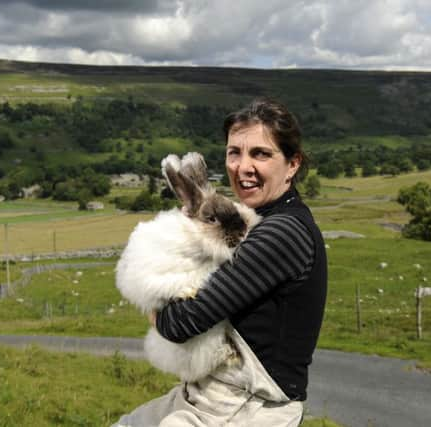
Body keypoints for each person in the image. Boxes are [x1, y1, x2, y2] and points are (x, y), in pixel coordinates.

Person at [113, 98, 327, 427]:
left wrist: (155, 307)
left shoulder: (282, 232)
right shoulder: (260, 220)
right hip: (209, 394)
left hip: (247, 406)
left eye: (261, 153)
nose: (242, 167)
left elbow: (181, 323)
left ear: (293, 163)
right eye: (234, 152)